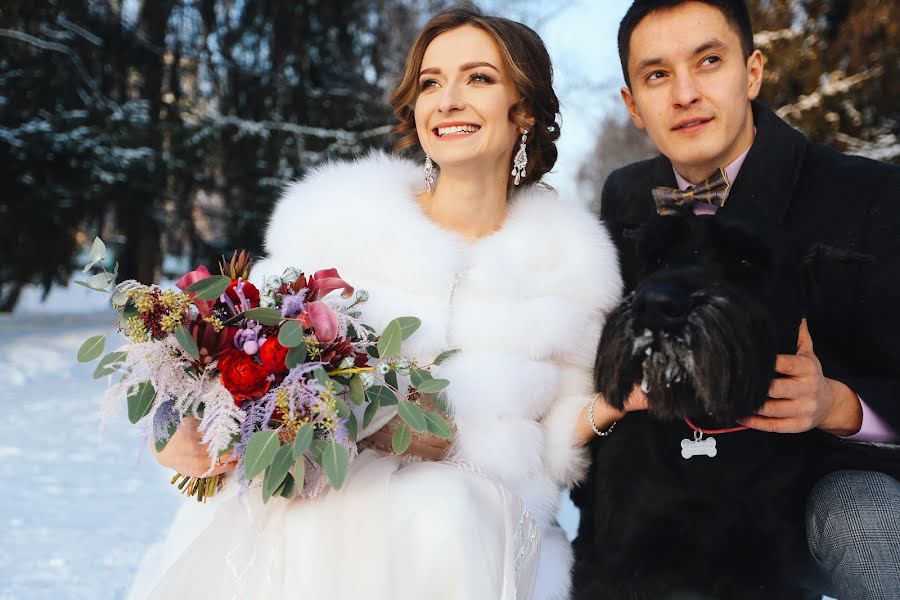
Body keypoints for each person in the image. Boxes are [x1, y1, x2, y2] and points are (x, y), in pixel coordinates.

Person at [128, 6, 622, 600]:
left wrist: (621, 400)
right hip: (309, 537)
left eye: (479, 78)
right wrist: (173, 433)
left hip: (469, 543)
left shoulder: (572, 264)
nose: (449, 99)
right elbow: (227, 355)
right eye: (431, 83)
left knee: (445, 508)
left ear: (526, 112)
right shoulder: (336, 220)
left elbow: (558, 442)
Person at [572, 1, 900, 598]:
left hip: (808, 484)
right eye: (657, 75)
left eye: (708, 61)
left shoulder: (869, 195)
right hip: (662, 484)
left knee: (866, 522)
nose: (685, 93)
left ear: (751, 73)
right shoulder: (626, 197)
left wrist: (839, 406)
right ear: (633, 107)